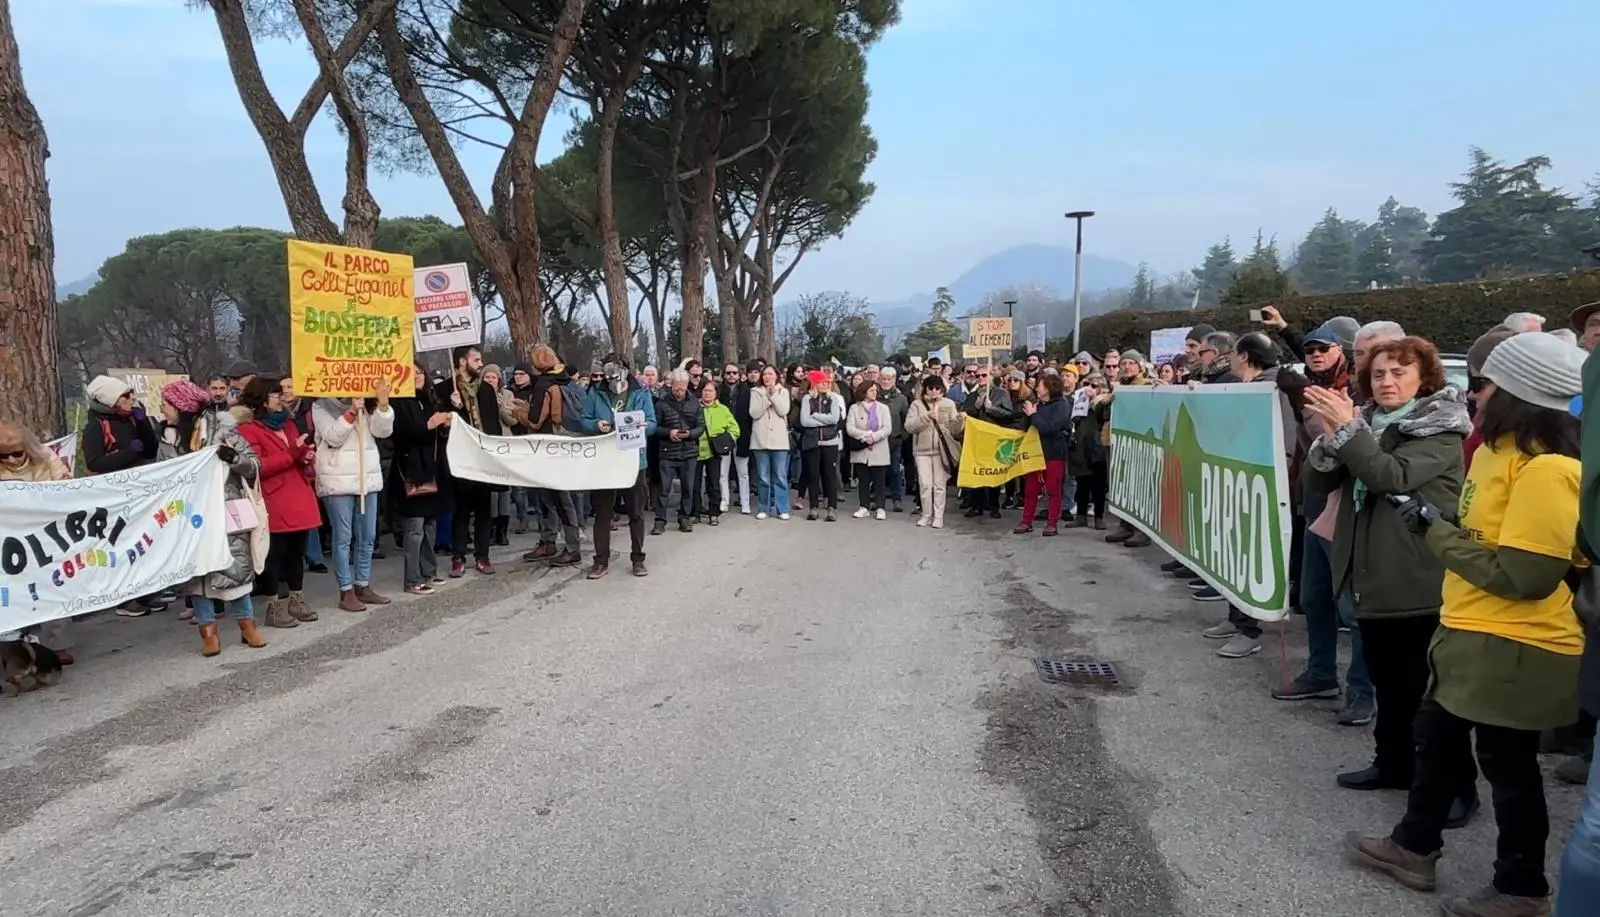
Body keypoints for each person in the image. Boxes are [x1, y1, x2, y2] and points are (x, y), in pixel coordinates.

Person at [1346, 332, 1584, 916]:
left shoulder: (1548, 469)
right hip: (1468, 630)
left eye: (1481, 386)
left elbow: (1524, 576)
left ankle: (1522, 890)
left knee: (1508, 767)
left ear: (1516, 393)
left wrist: (1433, 531)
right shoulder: (1494, 452)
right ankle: (1414, 847)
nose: (1469, 395)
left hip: (1517, 643)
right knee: (1434, 738)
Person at [1304, 337, 1476, 822]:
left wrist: (1349, 431)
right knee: (1388, 683)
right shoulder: (1368, 426)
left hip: (1417, 578)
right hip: (1371, 575)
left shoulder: (1438, 432)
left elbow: (1388, 476)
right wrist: (1332, 438)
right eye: (1378, 374)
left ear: (1425, 379)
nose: (1387, 381)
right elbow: (1320, 483)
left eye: (1399, 372)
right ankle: (1393, 764)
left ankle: (1460, 787)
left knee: (1430, 694)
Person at [162, 382, 266, 657]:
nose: (163, 410)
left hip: (225, 510)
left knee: (234, 567)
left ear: (182, 408)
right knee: (198, 573)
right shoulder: (168, 440)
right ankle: (208, 633)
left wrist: (231, 457)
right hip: (190, 515)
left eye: (167, 405)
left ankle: (247, 625)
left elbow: (255, 465)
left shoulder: (224, 431)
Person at [234, 377, 322, 627]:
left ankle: (297, 597)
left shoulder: (289, 423)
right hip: (274, 497)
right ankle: (273, 604)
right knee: (274, 554)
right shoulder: (248, 430)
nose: (281, 398)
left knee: (297, 551)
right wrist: (293, 453)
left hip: (298, 493)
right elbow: (257, 466)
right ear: (262, 399)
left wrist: (306, 454)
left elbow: (297, 450)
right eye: (276, 394)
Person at [313, 379, 396, 611]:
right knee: (343, 538)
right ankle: (346, 589)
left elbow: (383, 431)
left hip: (366, 479)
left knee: (368, 535)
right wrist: (350, 412)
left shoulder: (367, 404)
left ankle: (362, 583)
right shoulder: (321, 405)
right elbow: (332, 436)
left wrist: (382, 406)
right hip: (338, 480)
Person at [0, 421, 77, 662]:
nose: (11, 460)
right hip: (8, 537)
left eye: (17, 453)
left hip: (46, 533)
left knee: (54, 585)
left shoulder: (46, 458)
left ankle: (58, 645)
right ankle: (14, 651)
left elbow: (67, 487)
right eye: (4, 455)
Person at [579, 355, 656, 578]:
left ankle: (638, 558)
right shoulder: (595, 392)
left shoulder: (640, 393)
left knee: (636, 512)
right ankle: (600, 560)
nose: (609, 376)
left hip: (634, 460)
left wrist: (642, 425)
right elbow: (583, 419)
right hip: (605, 460)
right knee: (603, 513)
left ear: (624, 370)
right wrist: (596, 424)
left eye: (613, 371)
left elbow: (652, 423)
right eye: (606, 371)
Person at [389, 362, 455, 594]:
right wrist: (428, 425)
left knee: (430, 524)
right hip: (412, 469)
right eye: (412, 372)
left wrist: (444, 427)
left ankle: (430, 571)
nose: (417, 376)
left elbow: (438, 436)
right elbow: (398, 435)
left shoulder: (430, 398)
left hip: (433, 467)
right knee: (415, 527)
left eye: (419, 372)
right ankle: (412, 578)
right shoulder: (398, 402)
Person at [436, 345, 501, 577]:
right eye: (476, 359)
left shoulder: (486, 389)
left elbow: (494, 424)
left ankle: (483, 556)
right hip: (460, 459)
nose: (480, 363)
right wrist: (450, 409)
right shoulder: (444, 389)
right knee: (461, 511)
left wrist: (497, 455)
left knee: (484, 511)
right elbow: (438, 426)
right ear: (462, 362)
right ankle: (458, 557)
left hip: (483, 457)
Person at [1015, 371, 1071, 535]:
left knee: (1053, 490)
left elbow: (1050, 428)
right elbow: (1027, 428)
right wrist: (1028, 415)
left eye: (1039, 385)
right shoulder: (1037, 404)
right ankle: (1026, 521)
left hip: (1053, 453)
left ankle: (1052, 523)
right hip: (1035, 452)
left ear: (1048, 388)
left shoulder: (1061, 404)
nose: (1036, 388)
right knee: (1031, 489)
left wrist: (1034, 415)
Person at [905, 374, 963, 528]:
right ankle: (926, 515)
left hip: (941, 450)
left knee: (939, 485)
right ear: (925, 389)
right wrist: (926, 417)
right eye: (931, 388)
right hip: (922, 450)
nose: (934, 391)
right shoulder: (917, 405)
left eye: (938, 388)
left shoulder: (949, 404)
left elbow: (954, 430)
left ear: (942, 389)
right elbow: (909, 426)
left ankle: (938, 516)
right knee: (925, 484)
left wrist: (960, 421)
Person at [653, 369, 704, 533]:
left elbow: (701, 427)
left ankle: (685, 518)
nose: (679, 392)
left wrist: (689, 434)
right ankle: (660, 520)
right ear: (671, 385)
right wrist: (669, 433)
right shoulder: (661, 403)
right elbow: (654, 427)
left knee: (688, 488)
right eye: (676, 389)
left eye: (682, 389)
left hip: (689, 452)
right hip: (668, 452)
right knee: (664, 489)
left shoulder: (695, 403)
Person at [799, 370, 845, 521]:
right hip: (813, 441)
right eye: (822, 381)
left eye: (827, 382)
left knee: (829, 475)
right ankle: (813, 507)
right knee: (813, 475)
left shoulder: (834, 398)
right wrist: (823, 420)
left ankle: (831, 507)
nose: (825, 384)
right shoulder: (807, 399)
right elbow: (805, 421)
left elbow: (834, 419)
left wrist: (816, 416)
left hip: (830, 441)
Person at [748, 365, 793, 520]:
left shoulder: (783, 391)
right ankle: (763, 507)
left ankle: (782, 508)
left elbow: (783, 410)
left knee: (780, 476)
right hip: (759, 440)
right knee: (763, 476)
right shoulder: (755, 392)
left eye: (770, 374)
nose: (767, 377)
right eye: (765, 374)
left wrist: (773, 395)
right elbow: (754, 413)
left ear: (776, 376)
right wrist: (766, 398)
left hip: (779, 441)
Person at [846, 380, 894, 519]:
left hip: (879, 448)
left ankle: (880, 507)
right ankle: (863, 506)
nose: (874, 393)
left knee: (879, 480)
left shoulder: (883, 408)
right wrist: (865, 435)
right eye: (871, 390)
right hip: (862, 448)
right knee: (863, 479)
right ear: (864, 392)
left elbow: (887, 428)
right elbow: (850, 428)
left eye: (875, 390)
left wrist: (874, 436)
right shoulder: (855, 408)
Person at [695, 378, 739, 526]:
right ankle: (695, 512)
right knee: (694, 484)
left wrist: (724, 441)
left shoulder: (723, 410)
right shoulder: (694, 407)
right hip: (695, 451)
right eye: (705, 390)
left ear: (716, 393)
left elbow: (735, 429)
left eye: (710, 390)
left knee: (713, 483)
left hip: (714, 452)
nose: (707, 393)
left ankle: (714, 512)